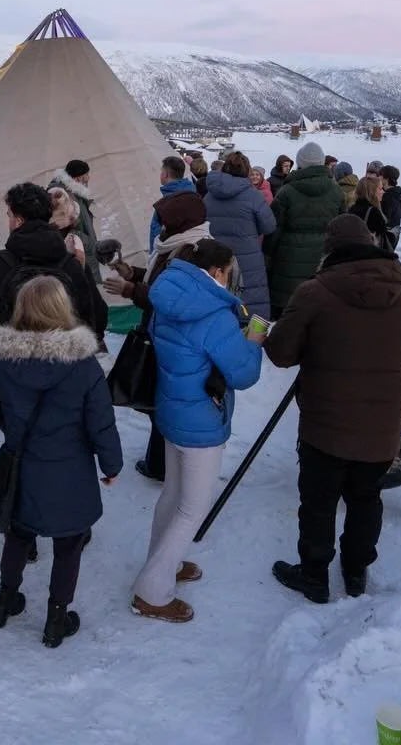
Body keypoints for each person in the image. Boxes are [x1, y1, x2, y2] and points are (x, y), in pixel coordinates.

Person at [264, 215, 401, 603]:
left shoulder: (315, 292)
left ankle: (314, 575)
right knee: (366, 498)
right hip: (382, 423)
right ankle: (356, 571)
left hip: (326, 422)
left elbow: (281, 352)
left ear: (330, 251)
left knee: (319, 501)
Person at [0, 277, 123, 648]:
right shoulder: (83, 368)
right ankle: (56, 620)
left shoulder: (0, 364)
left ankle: (5, 601)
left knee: (17, 537)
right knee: (68, 546)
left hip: (21, 468)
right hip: (69, 473)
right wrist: (111, 464)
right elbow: (101, 422)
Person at [131, 240, 264, 624]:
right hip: (203, 417)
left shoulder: (169, 296)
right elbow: (243, 373)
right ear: (219, 272)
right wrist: (252, 342)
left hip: (172, 407)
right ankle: (152, 591)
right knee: (194, 507)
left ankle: (163, 562)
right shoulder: (216, 315)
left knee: (173, 494)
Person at [103, 190, 210, 483]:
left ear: (182, 222)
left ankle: (162, 465)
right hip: (161, 332)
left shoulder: (194, 251)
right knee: (159, 400)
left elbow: (174, 301)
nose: (161, 227)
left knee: (162, 401)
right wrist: (133, 274)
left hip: (174, 337)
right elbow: (159, 281)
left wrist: (131, 290)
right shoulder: (175, 245)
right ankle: (160, 461)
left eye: (166, 222)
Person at [0, 183, 96, 423]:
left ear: (17, 220)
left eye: (9, 215)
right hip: (63, 380)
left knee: (18, 445)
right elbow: (91, 320)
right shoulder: (70, 266)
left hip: (9, 383)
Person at [265, 141, 345, 319]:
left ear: (300, 162)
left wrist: (268, 255)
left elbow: (274, 229)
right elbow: (342, 227)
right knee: (317, 313)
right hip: (323, 260)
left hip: (287, 260)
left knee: (287, 313)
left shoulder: (286, 191)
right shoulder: (336, 191)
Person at [203, 150, 278, 319]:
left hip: (215, 259)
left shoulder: (209, 196)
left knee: (216, 305)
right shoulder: (253, 196)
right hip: (247, 259)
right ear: (246, 171)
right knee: (249, 306)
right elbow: (269, 226)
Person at [49, 159, 108, 342]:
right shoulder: (62, 195)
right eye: (87, 174)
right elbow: (64, 226)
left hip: (81, 249)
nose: (89, 178)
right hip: (75, 252)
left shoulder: (74, 192)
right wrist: (87, 243)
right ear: (79, 176)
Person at [148, 155, 197, 256]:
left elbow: (156, 234)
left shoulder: (165, 204)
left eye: (162, 172)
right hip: (190, 253)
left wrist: (153, 257)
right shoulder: (194, 195)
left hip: (169, 257)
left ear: (165, 175)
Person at [348, 176, 394, 252]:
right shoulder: (373, 212)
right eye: (380, 189)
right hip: (368, 255)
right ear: (372, 191)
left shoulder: (352, 208)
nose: (383, 191)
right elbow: (381, 234)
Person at [378, 165, 401, 249]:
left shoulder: (388, 196)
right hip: (395, 233)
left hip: (385, 235)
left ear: (386, 178)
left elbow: (385, 217)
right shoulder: (399, 194)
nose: (378, 177)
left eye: (380, 175)